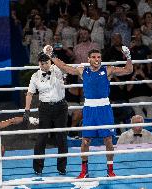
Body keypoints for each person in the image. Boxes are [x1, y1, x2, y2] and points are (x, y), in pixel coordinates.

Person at [43, 44, 133, 178]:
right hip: (90, 109)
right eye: (94, 57)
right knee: (85, 141)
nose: (97, 59)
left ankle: (110, 170)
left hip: (104, 109)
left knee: (108, 140)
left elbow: (128, 70)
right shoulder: (83, 71)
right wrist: (51, 55)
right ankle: (84, 171)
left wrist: (128, 56)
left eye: (99, 57)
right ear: (88, 59)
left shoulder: (107, 70)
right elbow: (63, 67)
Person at [23, 51, 68, 175]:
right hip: (45, 108)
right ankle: (38, 168)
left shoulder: (58, 69)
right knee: (41, 138)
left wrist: (53, 55)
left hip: (60, 107)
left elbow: (66, 68)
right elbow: (30, 93)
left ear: (50, 61)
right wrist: (27, 110)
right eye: (42, 64)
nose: (45, 66)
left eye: (47, 63)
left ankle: (62, 167)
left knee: (62, 138)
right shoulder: (35, 76)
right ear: (39, 64)